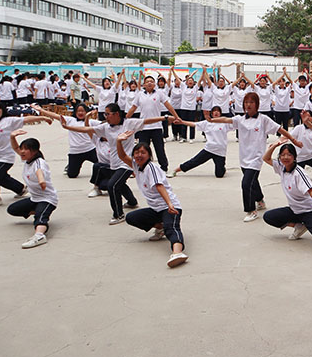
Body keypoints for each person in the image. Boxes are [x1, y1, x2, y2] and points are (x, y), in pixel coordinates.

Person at [60, 103, 167, 224]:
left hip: (127, 163)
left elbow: (147, 121)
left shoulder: (129, 123)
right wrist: (67, 127)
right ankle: (132, 202)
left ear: (116, 114)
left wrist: (165, 118)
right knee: (118, 183)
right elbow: (87, 129)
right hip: (114, 163)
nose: (106, 116)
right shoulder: (105, 127)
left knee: (113, 185)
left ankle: (118, 214)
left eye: (107, 114)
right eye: (105, 114)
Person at [209, 92, 301, 222]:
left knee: (246, 184)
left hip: (257, 158)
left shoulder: (263, 119)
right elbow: (225, 120)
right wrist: (211, 119)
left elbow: (279, 129)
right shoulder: (240, 119)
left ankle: (251, 210)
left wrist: (293, 139)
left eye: (251, 102)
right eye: (246, 102)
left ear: (257, 104)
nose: (248, 105)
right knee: (253, 182)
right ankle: (260, 200)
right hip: (243, 157)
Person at [115, 132, 188, 268]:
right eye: (136, 153)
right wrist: (118, 141)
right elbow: (122, 156)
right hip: (155, 209)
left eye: (143, 152)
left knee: (172, 228)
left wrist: (170, 204)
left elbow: (159, 186)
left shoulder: (151, 168)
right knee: (131, 217)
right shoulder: (137, 166)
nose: (139, 155)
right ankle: (160, 228)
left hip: (169, 206)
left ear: (149, 155)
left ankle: (177, 253)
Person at [6, 131, 58, 248]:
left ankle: (39, 236)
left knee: (40, 219)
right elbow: (15, 148)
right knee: (12, 209)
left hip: (47, 199)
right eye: (21, 149)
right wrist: (12, 137)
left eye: (26, 149)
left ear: (34, 152)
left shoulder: (39, 162)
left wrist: (41, 181)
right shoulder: (27, 160)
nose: (22, 151)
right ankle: (37, 210)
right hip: (35, 199)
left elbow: (39, 171)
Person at [126, 75, 180, 172]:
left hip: (156, 126)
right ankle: (141, 167)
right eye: (147, 81)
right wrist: (125, 120)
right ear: (144, 84)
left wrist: (176, 116)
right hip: (143, 127)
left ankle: (164, 168)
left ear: (154, 84)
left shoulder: (159, 93)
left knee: (159, 149)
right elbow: (133, 108)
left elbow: (168, 106)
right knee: (141, 150)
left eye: (151, 81)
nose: (150, 83)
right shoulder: (140, 95)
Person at [169, 106, 233, 178]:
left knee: (219, 174)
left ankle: (222, 168)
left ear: (220, 113)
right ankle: (175, 170)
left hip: (220, 151)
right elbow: (194, 124)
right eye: (214, 111)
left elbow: (235, 123)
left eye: (218, 111)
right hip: (209, 149)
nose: (216, 112)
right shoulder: (206, 123)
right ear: (211, 113)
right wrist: (182, 122)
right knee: (194, 162)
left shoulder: (224, 123)